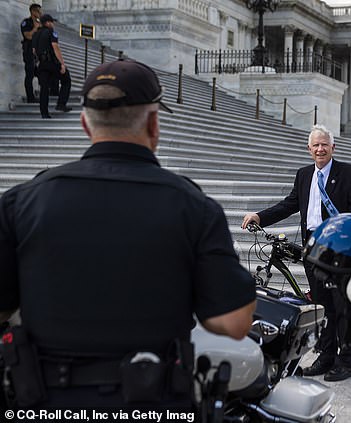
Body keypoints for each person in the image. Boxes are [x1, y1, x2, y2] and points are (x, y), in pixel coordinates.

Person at [0, 58, 256, 409]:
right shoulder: (193, 206)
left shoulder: (22, 202)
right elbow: (234, 321)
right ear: (154, 124)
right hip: (155, 402)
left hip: (45, 402)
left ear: (85, 125)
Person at [241, 125, 351, 382]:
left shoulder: (349, 174)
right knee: (322, 303)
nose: (320, 149)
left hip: (339, 246)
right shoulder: (303, 175)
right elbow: (289, 205)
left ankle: (346, 361)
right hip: (314, 245)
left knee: (342, 305)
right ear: (309, 149)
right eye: (315, 145)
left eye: (324, 144)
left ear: (333, 147)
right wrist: (260, 216)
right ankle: (326, 355)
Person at [32, 14, 72, 119]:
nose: (53, 24)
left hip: (42, 63)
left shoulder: (36, 34)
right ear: (48, 22)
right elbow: (55, 47)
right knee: (66, 80)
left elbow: (34, 51)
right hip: (52, 63)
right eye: (52, 22)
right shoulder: (51, 32)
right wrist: (62, 63)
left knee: (44, 88)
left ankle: (44, 113)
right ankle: (61, 104)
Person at [20, 3, 41, 103]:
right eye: (38, 11)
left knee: (42, 73)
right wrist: (35, 28)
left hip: (38, 53)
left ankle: (44, 93)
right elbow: (28, 36)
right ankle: (30, 98)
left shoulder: (40, 23)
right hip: (29, 52)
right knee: (30, 74)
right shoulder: (26, 22)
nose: (40, 13)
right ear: (33, 11)